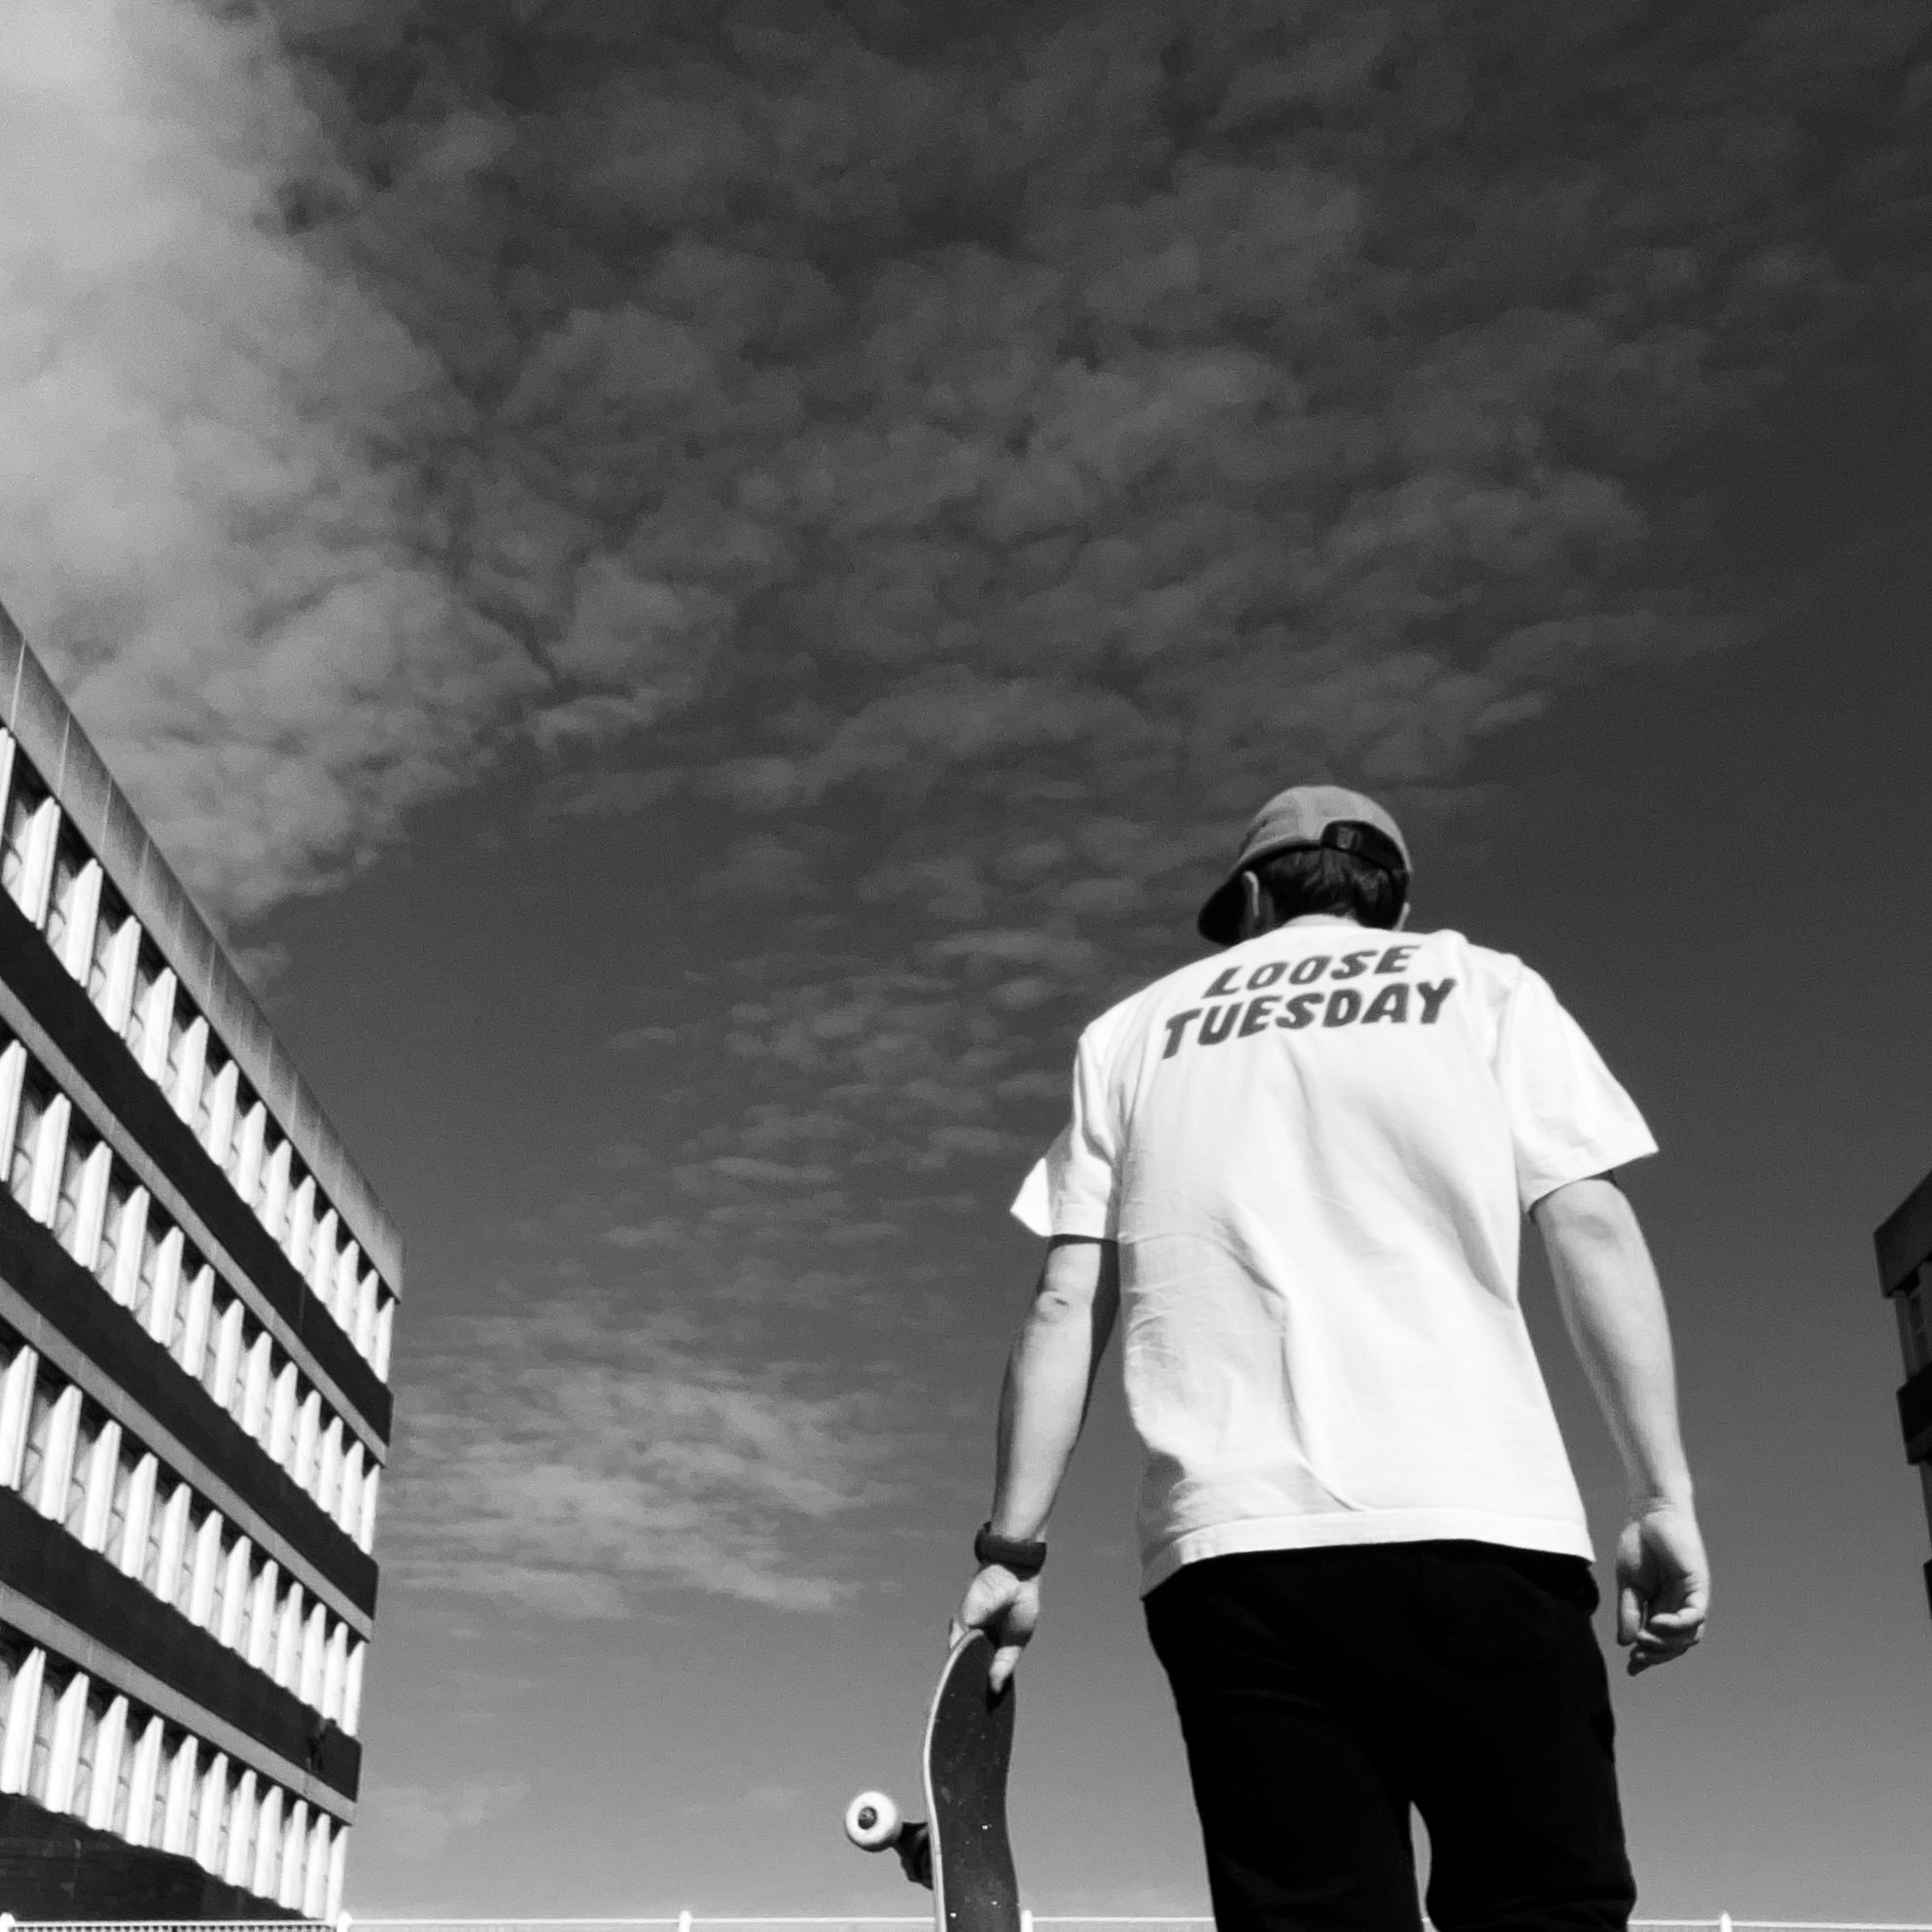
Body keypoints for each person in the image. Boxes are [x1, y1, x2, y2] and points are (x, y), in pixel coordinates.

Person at [953, 784, 1709, 1932]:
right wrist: (1660, 1493)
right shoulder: (1483, 985)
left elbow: (1068, 1296)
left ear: (1252, 896)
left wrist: (1011, 1552)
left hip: (1238, 1554)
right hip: (1485, 1527)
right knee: (1543, 1904)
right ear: (1394, 900)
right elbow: (1591, 1223)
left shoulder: (1129, 1033)